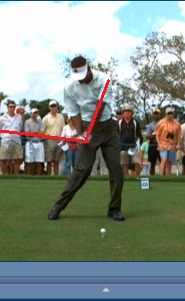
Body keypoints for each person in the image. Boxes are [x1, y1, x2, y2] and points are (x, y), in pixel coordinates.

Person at [48, 55, 124, 221]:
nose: (80, 81)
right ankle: (58, 207)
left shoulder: (105, 79)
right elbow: (74, 112)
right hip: (87, 124)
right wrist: (80, 131)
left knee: (115, 167)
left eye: (82, 77)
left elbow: (100, 106)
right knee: (82, 169)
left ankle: (114, 209)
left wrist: (88, 132)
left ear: (89, 68)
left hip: (108, 127)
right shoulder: (69, 87)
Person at [0, 101, 24, 175]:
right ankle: (5, 176)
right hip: (6, 141)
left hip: (16, 141)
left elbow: (20, 127)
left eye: (13, 107)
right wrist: (4, 136)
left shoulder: (19, 117)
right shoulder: (2, 118)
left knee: (17, 159)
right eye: (10, 107)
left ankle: (16, 176)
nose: (12, 108)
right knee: (4, 159)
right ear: (7, 107)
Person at [154, 107, 182, 175]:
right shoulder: (161, 122)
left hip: (172, 145)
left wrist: (178, 144)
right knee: (164, 160)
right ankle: (161, 176)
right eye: (168, 113)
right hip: (163, 144)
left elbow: (179, 135)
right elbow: (157, 134)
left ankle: (167, 177)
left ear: (173, 114)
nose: (170, 115)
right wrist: (159, 144)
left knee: (169, 162)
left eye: (171, 113)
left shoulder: (177, 124)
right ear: (165, 114)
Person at [42, 100, 65, 176]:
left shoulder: (61, 117)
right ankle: (49, 176)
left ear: (57, 107)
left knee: (56, 161)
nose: (53, 107)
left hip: (59, 139)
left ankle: (56, 176)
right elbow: (43, 131)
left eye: (54, 106)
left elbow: (63, 128)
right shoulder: (46, 118)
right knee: (49, 161)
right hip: (50, 140)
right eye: (52, 106)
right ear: (49, 108)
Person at [118, 106, 143, 176]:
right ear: (123, 113)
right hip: (123, 146)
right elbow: (117, 134)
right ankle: (126, 178)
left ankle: (137, 177)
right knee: (124, 163)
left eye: (129, 111)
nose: (127, 113)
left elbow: (138, 135)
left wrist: (138, 144)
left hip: (133, 146)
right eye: (125, 111)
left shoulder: (135, 122)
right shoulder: (119, 123)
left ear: (131, 113)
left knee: (137, 162)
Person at [24, 108, 45, 176]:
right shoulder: (27, 122)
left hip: (39, 142)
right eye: (33, 113)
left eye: (36, 113)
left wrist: (32, 132)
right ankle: (29, 176)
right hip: (30, 142)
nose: (34, 114)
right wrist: (37, 132)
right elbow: (27, 134)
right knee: (29, 161)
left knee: (40, 161)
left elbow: (42, 133)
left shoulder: (40, 122)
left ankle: (38, 176)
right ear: (30, 114)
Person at [145, 109, 161, 175]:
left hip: (162, 144)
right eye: (155, 114)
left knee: (163, 162)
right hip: (153, 145)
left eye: (157, 114)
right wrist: (156, 136)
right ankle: (152, 177)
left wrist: (155, 134)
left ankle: (165, 177)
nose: (156, 115)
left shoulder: (163, 124)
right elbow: (148, 136)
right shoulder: (150, 125)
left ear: (160, 115)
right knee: (152, 163)